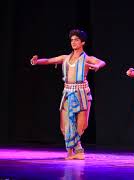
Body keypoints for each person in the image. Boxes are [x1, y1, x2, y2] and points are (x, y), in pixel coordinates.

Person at [30, 29, 106, 160]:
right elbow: (49, 60)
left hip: (82, 93)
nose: (73, 42)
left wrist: (98, 66)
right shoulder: (65, 58)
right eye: (72, 40)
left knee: (82, 125)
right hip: (67, 93)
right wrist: (36, 61)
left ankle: (77, 150)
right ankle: (74, 151)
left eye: (76, 40)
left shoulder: (87, 58)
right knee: (65, 125)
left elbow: (101, 62)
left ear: (82, 42)